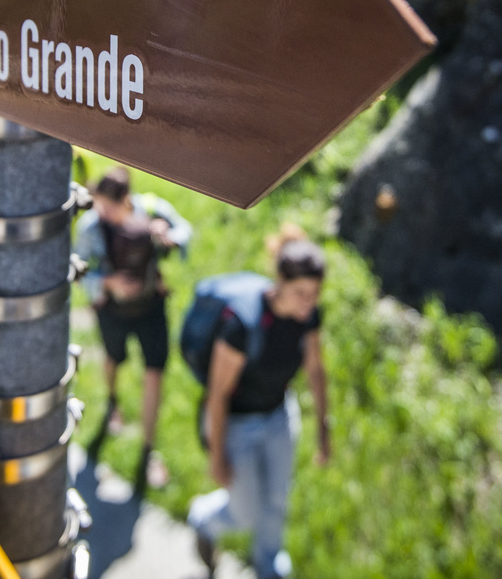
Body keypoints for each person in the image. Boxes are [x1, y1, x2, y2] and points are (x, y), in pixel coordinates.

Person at [187, 226, 331, 579]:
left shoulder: (308, 316)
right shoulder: (243, 324)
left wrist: (324, 427)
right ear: (280, 282)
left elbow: (314, 368)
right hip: (237, 425)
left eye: (314, 294)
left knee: (277, 501)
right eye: (300, 293)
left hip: (279, 415)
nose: (308, 303)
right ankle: (204, 520)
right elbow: (218, 396)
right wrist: (217, 455)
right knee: (245, 512)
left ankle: (268, 567)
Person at [74, 166, 192, 489]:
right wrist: (109, 283)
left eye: (109, 207)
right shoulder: (91, 227)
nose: (103, 213)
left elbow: (186, 232)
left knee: (155, 371)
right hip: (111, 310)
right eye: (99, 205)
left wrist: (166, 234)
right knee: (114, 359)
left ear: (126, 200)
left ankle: (148, 448)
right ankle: (113, 402)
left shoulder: (152, 209)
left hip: (151, 305)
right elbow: (78, 270)